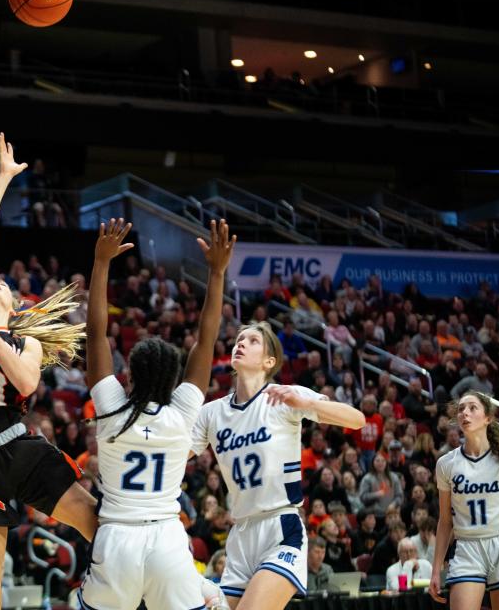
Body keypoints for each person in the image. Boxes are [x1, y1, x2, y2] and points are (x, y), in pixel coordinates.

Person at [0, 133, 95, 610]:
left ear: (14, 303)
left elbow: (26, 383)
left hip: (16, 450)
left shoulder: (24, 341)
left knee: (100, 524)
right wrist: (3, 179)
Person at [79, 218, 235, 610]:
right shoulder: (183, 411)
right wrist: (216, 272)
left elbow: (96, 335)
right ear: (172, 380)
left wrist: (101, 264)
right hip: (167, 539)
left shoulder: (113, 409)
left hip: (117, 540)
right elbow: (206, 338)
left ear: (128, 374)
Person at [189, 319, 365, 609]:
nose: (241, 343)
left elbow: (356, 420)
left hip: (280, 527)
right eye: (239, 340)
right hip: (241, 533)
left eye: (252, 340)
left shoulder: (286, 396)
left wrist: (306, 404)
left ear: (269, 361)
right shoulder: (211, 412)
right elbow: (175, 456)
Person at [429, 392, 499, 609]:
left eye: (472, 408)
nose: (465, 413)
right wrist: (435, 569)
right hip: (467, 548)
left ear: (488, 418)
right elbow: (444, 521)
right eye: (461, 409)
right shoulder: (446, 464)